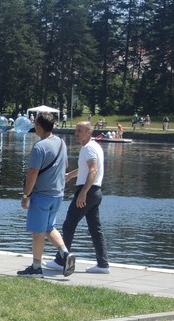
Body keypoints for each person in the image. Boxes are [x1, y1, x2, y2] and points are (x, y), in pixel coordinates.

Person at [44, 121, 111, 275]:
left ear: (89, 132)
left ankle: (61, 261)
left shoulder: (88, 148)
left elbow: (93, 170)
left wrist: (83, 193)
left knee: (69, 225)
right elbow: (86, 168)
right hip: (95, 192)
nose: (77, 132)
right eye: (76, 130)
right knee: (95, 229)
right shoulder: (93, 147)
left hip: (88, 191)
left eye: (80, 130)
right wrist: (70, 176)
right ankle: (103, 264)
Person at [17, 112, 76, 277]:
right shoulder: (61, 143)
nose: (34, 126)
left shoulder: (39, 147)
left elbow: (33, 172)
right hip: (57, 194)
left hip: (42, 195)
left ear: (39, 127)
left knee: (38, 232)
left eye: (35, 124)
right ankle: (65, 253)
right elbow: (65, 165)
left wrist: (25, 195)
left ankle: (36, 268)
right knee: (49, 227)